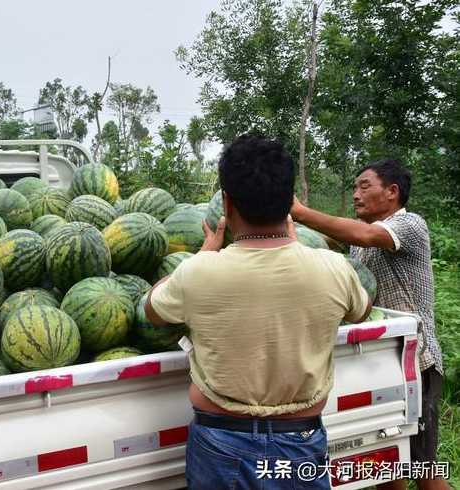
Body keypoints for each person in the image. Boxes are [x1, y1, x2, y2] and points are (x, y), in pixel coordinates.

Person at [145, 135, 371, 489]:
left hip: (221, 445)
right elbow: (361, 311)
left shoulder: (198, 272)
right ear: (289, 202)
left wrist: (203, 254)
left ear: (226, 202)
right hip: (301, 443)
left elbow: (152, 309)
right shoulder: (334, 267)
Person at [290, 159, 448, 490]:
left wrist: (299, 211)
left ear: (392, 192)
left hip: (416, 364)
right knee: (387, 470)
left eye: (365, 186)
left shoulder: (409, 226)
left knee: (425, 473)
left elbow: (364, 234)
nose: (357, 194)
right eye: (355, 188)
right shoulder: (359, 243)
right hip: (380, 363)